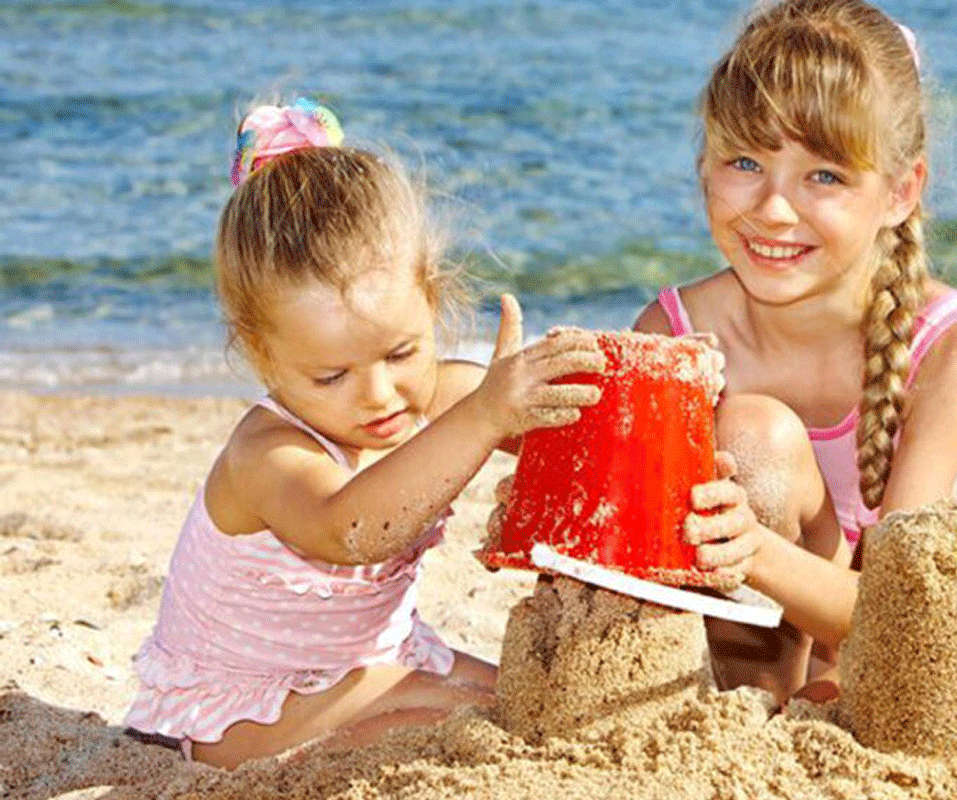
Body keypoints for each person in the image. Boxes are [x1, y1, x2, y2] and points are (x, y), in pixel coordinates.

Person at [630, 0, 957, 713]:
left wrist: (754, 549)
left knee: (912, 659)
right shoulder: (675, 332)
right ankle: (777, 705)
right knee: (753, 438)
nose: (774, 209)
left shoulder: (956, 342)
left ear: (900, 192)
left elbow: (899, 614)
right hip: (792, 648)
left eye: (825, 176)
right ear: (703, 165)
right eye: (745, 161)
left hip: (921, 628)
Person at [122, 98, 606, 768]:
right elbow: (351, 531)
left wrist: (572, 410)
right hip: (248, 708)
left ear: (431, 304)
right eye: (330, 377)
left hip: (378, 657)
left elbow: (575, 436)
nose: (379, 394)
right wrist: (485, 417)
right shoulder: (269, 455)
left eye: (402, 353)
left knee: (528, 698)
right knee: (462, 724)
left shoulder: (446, 393)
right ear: (262, 355)